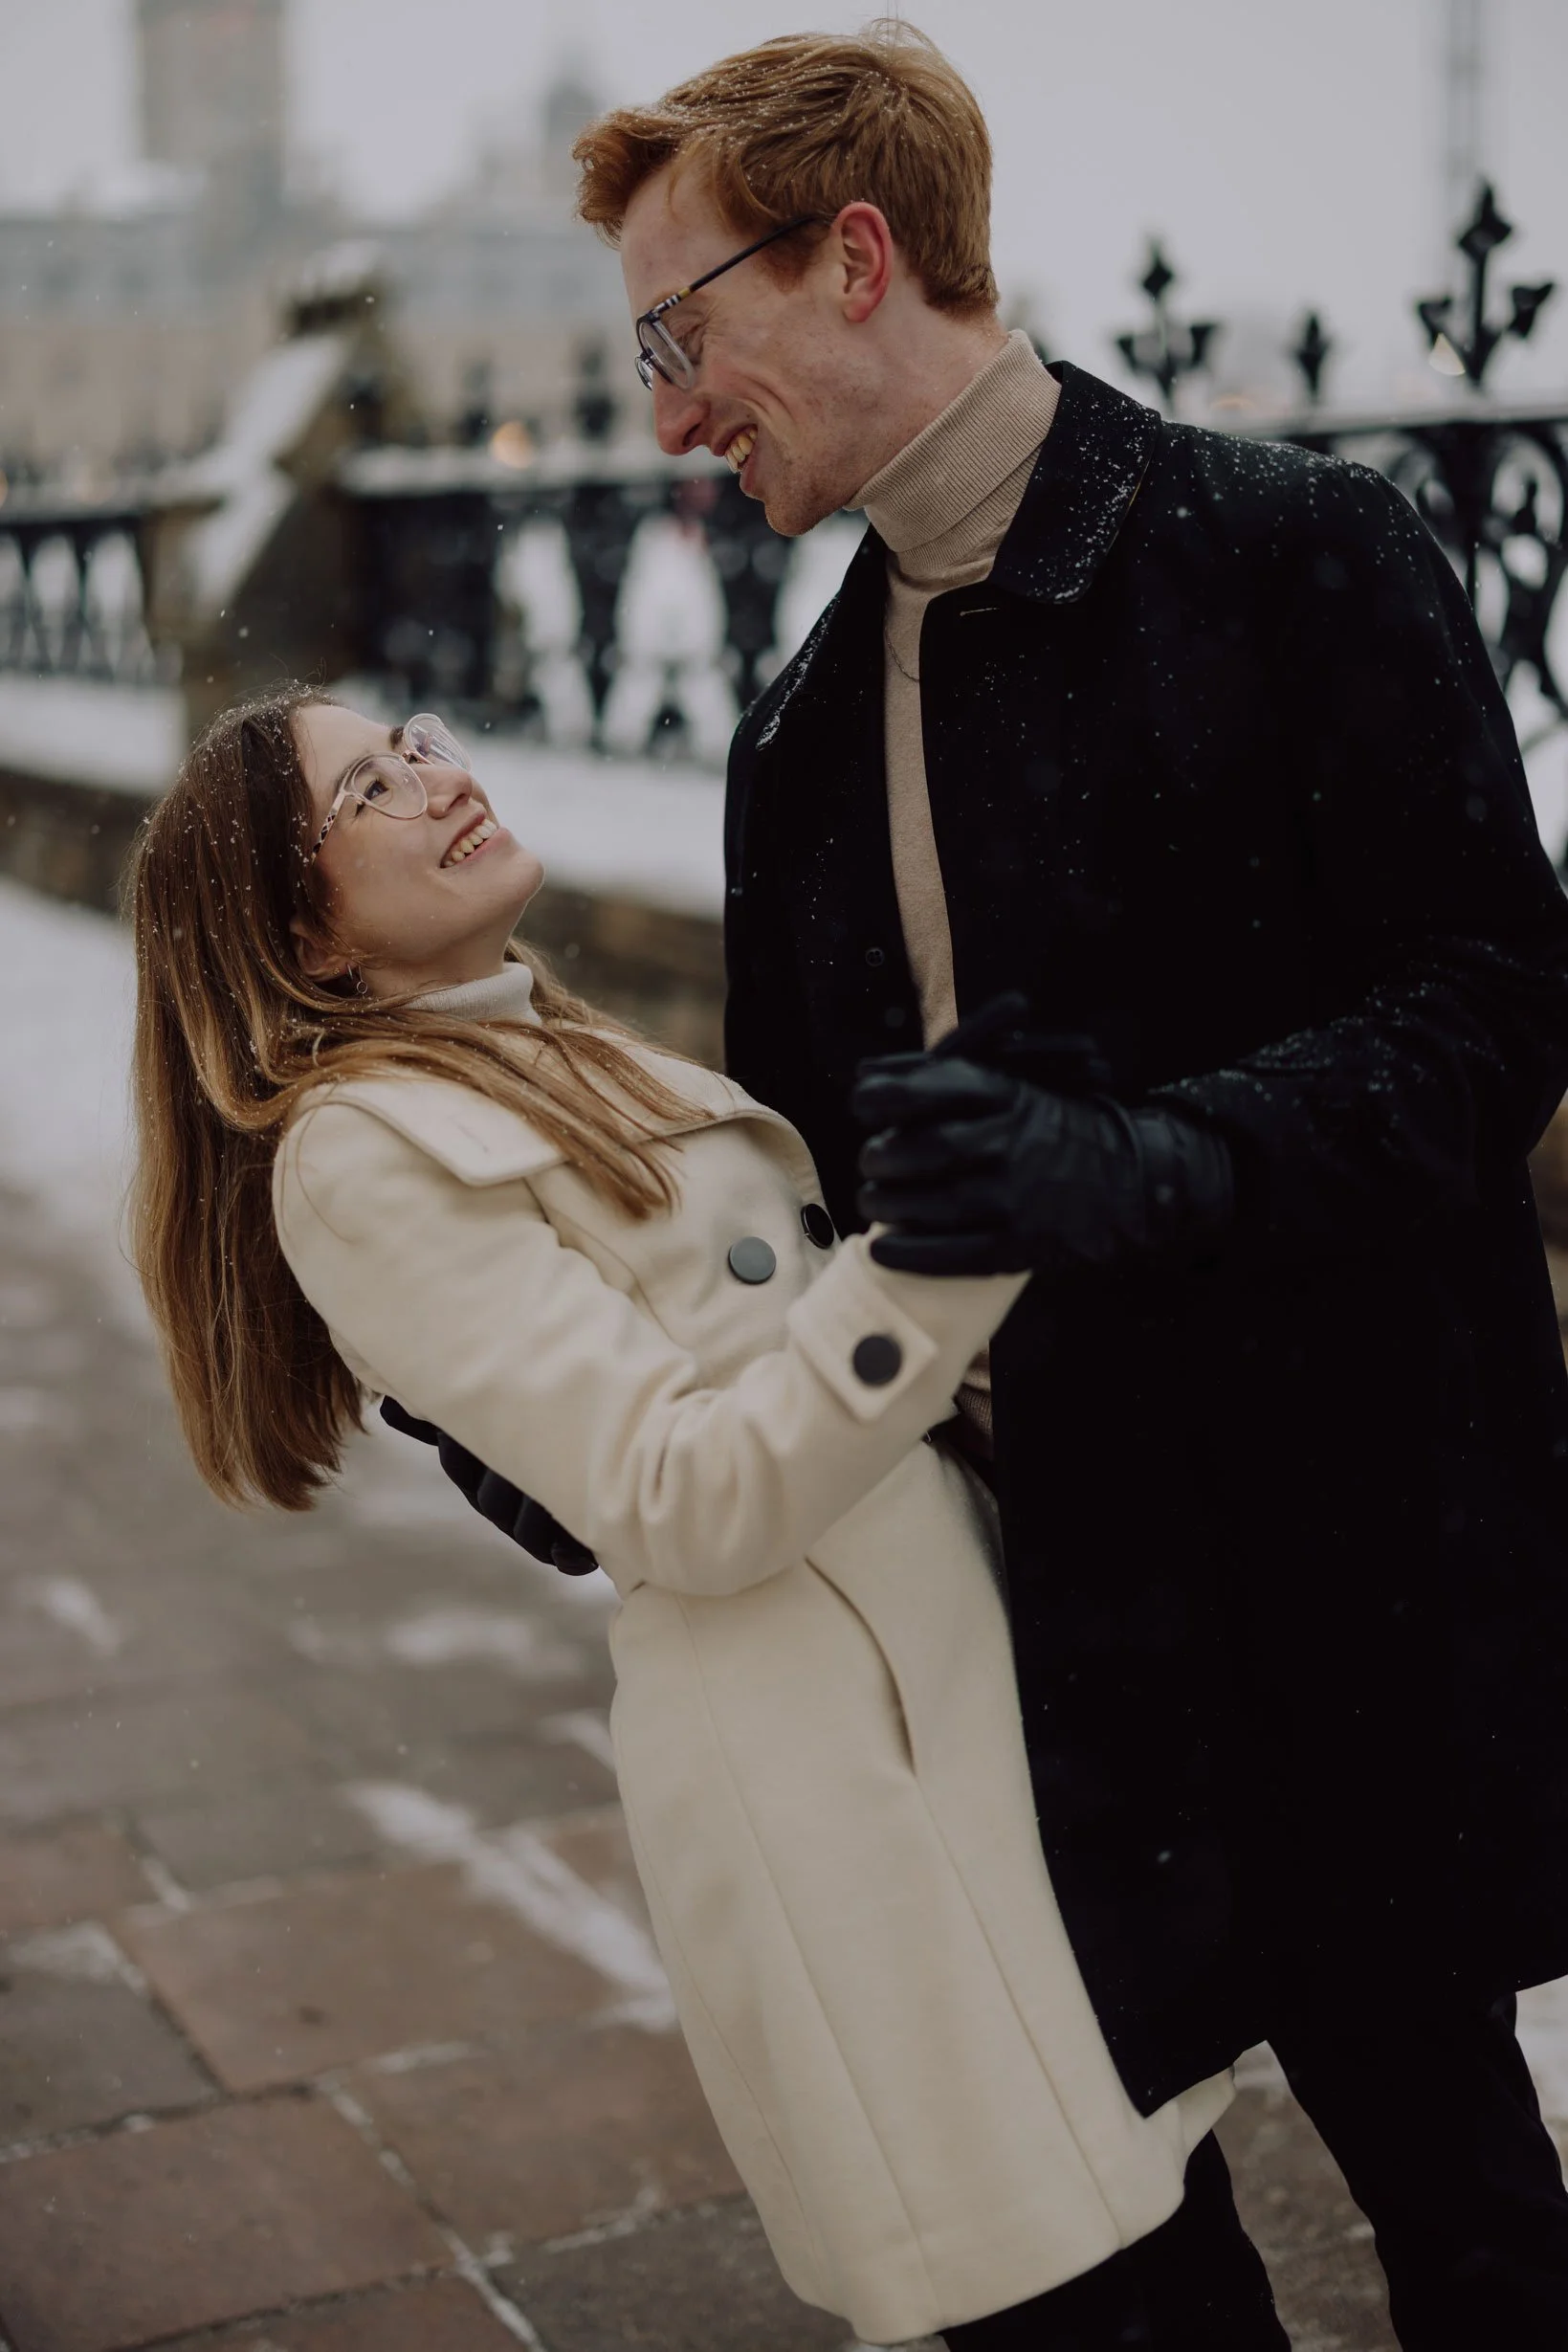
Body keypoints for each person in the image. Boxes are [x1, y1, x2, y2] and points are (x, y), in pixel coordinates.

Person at [411, 23, 1568, 2350]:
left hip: (1355, 1568)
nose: (670, 416)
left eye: (679, 337)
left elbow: (1493, 1005)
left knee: (1470, 2210)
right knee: (1119, 2255)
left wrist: (1151, 1160)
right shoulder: (794, 734)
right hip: (1033, 1629)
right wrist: (564, 1426)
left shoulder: (1300, 547)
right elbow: (818, 1215)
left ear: (855, 258)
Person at [127, 685, 1263, 2350]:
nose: (435, 778)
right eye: (367, 787)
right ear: (303, 932)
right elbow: (678, 1498)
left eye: (416, 739)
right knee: (1098, 2301)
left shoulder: (533, 1039)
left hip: (962, 1717)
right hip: (850, 1780)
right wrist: (941, 1250)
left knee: (1184, 2264)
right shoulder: (361, 1158)